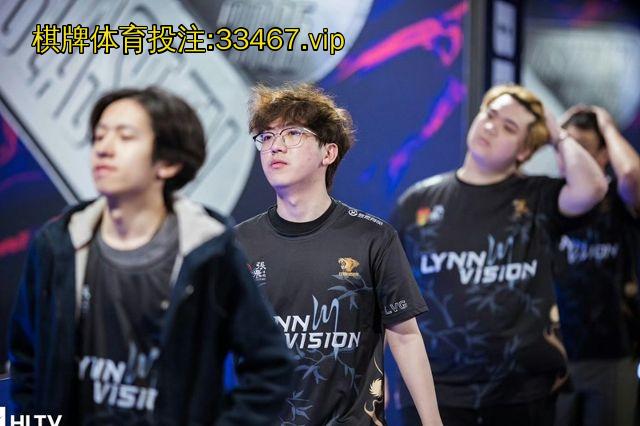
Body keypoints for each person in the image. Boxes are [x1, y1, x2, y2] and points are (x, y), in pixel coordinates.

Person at [9, 87, 293, 425]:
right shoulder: (57, 244)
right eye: (99, 136)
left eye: (125, 136)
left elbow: (270, 367)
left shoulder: (209, 251)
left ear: (168, 163)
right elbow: (26, 358)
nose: (104, 148)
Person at [391, 84, 608, 426]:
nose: (491, 126)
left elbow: (593, 188)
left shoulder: (538, 196)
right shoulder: (418, 201)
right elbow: (388, 298)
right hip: (434, 391)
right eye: (489, 115)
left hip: (521, 393)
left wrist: (556, 134)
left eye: (509, 127)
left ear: (524, 151)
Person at [235, 83, 442, 425]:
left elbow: (405, 336)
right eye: (266, 137)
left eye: (293, 133)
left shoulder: (374, 238)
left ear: (328, 153)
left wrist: (432, 422)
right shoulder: (238, 243)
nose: (275, 146)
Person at [553, 106, 640, 426]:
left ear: (604, 155)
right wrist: (556, 132)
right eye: (567, 146)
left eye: (583, 147)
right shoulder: (549, 199)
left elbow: (631, 175)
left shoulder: (619, 201)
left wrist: (606, 124)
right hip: (556, 357)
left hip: (611, 354)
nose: (572, 155)